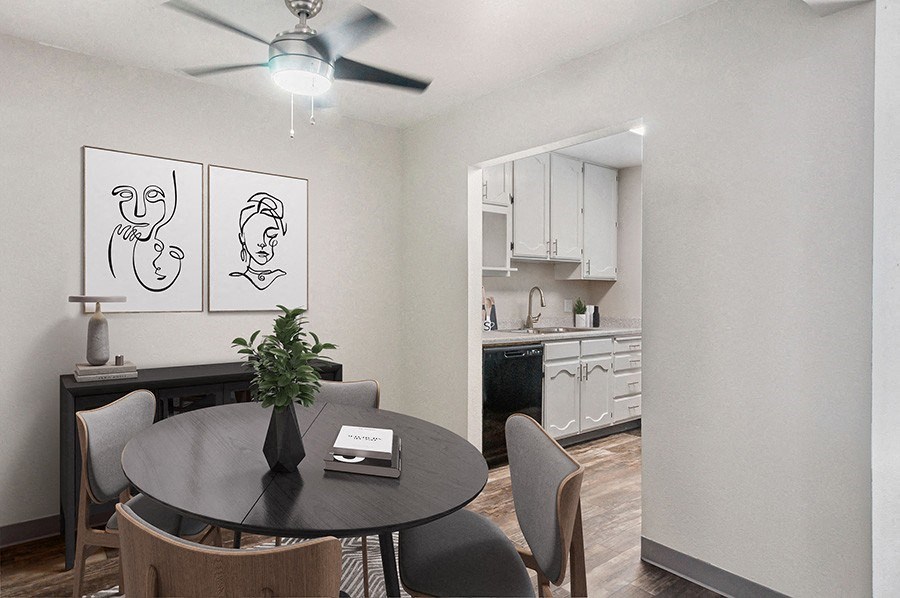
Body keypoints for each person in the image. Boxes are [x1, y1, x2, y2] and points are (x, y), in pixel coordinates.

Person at [230, 192, 287, 291]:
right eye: (254, 233)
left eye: (270, 235)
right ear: (242, 237)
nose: (262, 243)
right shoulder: (235, 280)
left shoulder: (282, 277)